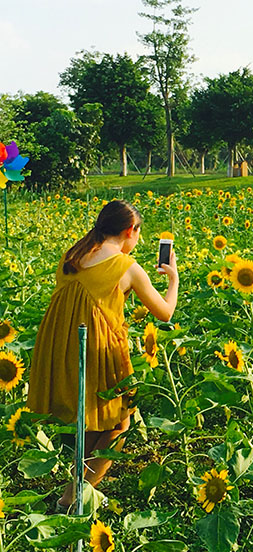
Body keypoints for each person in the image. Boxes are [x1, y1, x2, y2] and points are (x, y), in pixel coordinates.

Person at [27, 200, 179, 510]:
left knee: (96, 422)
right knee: (119, 425)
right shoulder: (127, 267)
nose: (139, 240)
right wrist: (173, 278)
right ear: (128, 231)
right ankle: (75, 495)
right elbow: (165, 313)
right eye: (139, 233)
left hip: (61, 346)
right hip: (100, 349)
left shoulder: (74, 256)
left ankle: (76, 485)